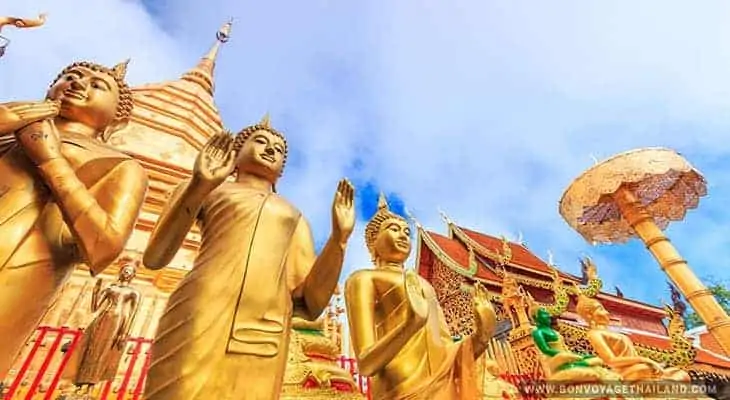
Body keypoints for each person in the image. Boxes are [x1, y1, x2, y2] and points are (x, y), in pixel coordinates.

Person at [142, 116, 355, 400]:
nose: (270, 150)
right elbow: (156, 257)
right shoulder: (208, 188)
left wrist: (338, 240)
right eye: (260, 142)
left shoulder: (292, 215)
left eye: (278, 149)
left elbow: (310, 300)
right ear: (236, 153)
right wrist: (199, 185)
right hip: (203, 304)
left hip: (268, 320)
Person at [0, 60, 147, 375]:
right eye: (70, 77)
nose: (78, 84)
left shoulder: (118, 164)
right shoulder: (10, 134)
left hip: (18, 270)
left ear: (118, 116)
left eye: (97, 86)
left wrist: (49, 159)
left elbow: (105, 246)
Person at [345, 194, 499, 400]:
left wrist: (481, 335)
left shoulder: (424, 285)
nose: (403, 235)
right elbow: (365, 363)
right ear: (373, 241)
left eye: (407, 232)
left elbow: (447, 350)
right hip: (401, 390)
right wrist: (411, 323)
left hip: (441, 385)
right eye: (393, 229)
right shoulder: (364, 279)